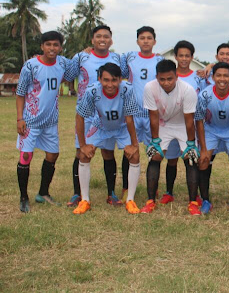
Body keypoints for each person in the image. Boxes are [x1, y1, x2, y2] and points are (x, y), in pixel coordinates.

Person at [15, 31, 75, 212]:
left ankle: (43, 193)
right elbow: (20, 93)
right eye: (48, 44)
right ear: (42, 46)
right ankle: (23, 197)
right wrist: (20, 118)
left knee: (53, 155)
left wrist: (86, 52)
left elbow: (74, 71)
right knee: (26, 157)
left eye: (55, 45)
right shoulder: (30, 66)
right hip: (30, 121)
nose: (52, 48)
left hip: (50, 121)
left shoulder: (63, 63)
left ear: (60, 48)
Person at [73, 63, 142, 215]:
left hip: (122, 127)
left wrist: (134, 145)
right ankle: (85, 200)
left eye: (114, 80)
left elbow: (129, 118)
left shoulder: (127, 89)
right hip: (101, 126)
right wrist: (83, 144)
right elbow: (80, 117)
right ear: (99, 79)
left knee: (135, 156)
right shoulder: (92, 91)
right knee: (83, 155)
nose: (110, 84)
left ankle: (130, 200)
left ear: (120, 80)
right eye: (106, 80)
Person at [67, 25, 124, 207]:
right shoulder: (81, 57)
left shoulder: (116, 58)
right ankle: (78, 194)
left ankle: (111, 193)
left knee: (108, 153)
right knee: (81, 151)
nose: (102, 39)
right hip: (85, 113)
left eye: (106, 36)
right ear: (92, 40)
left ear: (111, 41)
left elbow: (126, 76)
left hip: (106, 113)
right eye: (98, 36)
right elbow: (68, 74)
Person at [142, 59, 201, 216]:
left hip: (182, 124)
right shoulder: (150, 87)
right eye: (162, 79)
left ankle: (193, 202)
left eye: (170, 79)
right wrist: (155, 141)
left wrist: (190, 144)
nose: (166, 83)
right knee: (155, 156)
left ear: (176, 76)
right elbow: (153, 117)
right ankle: (150, 201)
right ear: (157, 77)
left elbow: (189, 120)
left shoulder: (187, 90)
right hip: (163, 124)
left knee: (190, 157)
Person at [157, 40, 205, 206]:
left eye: (187, 55)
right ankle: (169, 192)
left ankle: (195, 195)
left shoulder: (198, 77)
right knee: (171, 160)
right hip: (169, 124)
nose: (184, 58)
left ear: (192, 57)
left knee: (191, 159)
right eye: (181, 55)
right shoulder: (168, 76)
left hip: (189, 124)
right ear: (175, 56)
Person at [194, 62, 229, 214]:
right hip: (211, 130)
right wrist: (203, 149)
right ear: (212, 77)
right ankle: (205, 201)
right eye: (219, 75)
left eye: (226, 76)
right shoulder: (204, 95)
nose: (222, 79)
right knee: (203, 161)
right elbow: (199, 121)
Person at [120, 26, 163, 199]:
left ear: (154, 41)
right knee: (129, 150)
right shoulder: (129, 57)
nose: (145, 41)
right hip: (134, 113)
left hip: (153, 114)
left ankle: (153, 189)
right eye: (142, 38)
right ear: (137, 41)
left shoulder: (160, 59)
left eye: (149, 38)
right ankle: (125, 188)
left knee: (154, 151)